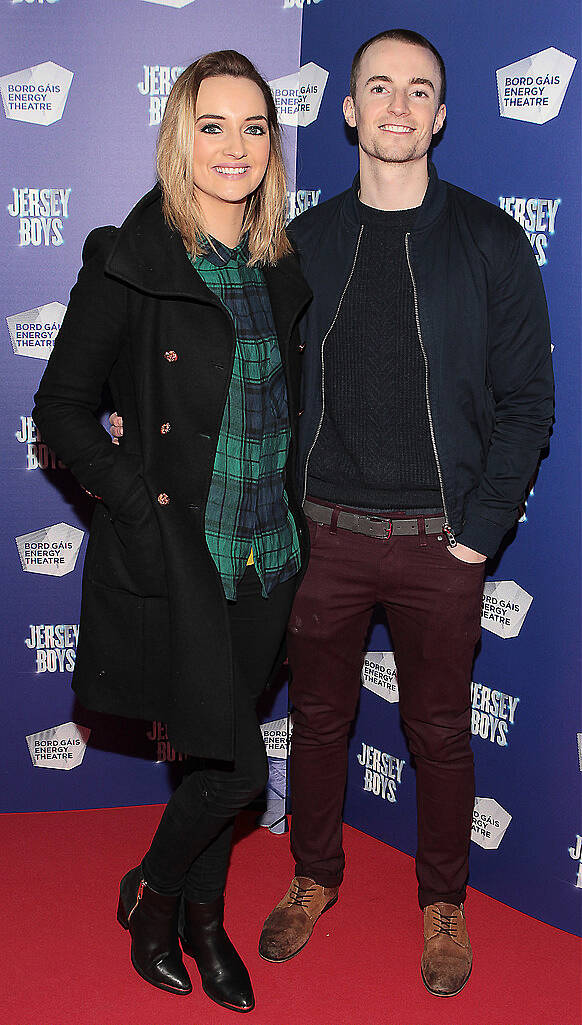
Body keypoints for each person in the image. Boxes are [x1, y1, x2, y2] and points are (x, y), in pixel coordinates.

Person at [255, 29, 553, 998]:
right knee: (318, 720)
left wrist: (477, 530)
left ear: (440, 114)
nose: (395, 106)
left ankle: (443, 901)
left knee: (439, 731)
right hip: (325, 534)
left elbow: (526, 402)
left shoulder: (490, 242)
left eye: (417, 91)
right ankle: (314, 875)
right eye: (377, 87)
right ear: (346, 109)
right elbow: (255, 383)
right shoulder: (307, 243)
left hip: (440, 543)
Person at [33, 50, 310, 1014]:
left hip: (268, 555)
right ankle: (160, 904)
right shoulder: (130, 260)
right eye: (212, 124)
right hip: (185, 556)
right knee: (237, 770)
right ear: (179, 138)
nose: (234, 146)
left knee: (206, 758)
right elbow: (62, 408)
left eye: (253, 126)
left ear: (272, 146)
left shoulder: (278, 269)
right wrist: (134, 500)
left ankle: (198, 918)